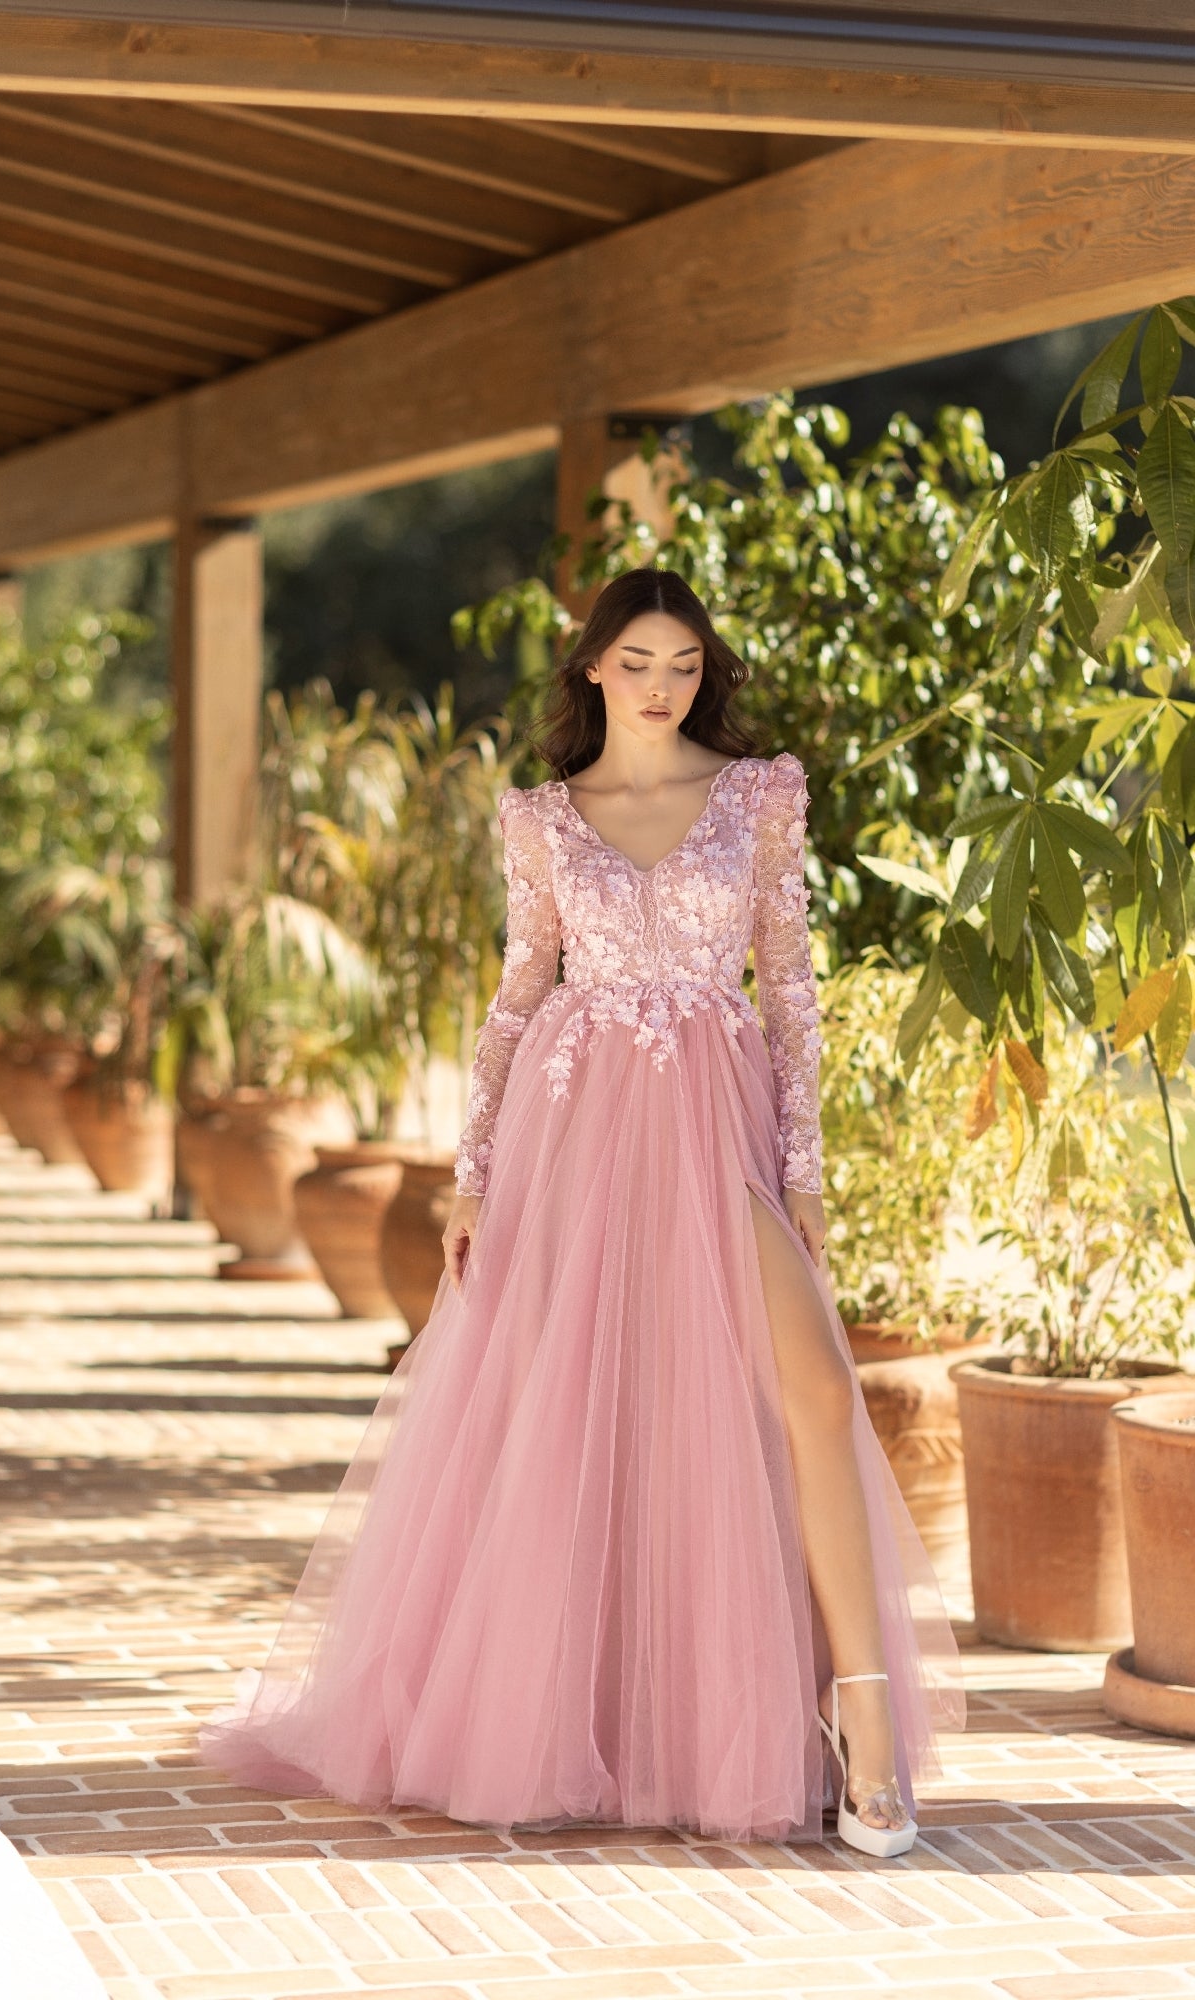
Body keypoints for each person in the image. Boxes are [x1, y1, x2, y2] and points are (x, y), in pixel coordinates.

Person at [200, 566, 963, 1853]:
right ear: (594, 666)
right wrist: (475, 1169)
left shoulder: (759, 794)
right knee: (584, 1415)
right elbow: (516, 996)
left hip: (718, 1129)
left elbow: (792, 997)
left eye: (683, 663)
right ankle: (585, 1708)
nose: (663, 685)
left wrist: (806, 1171)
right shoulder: (543, 820)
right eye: (639, 661)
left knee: (819, 1393)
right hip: (579, 1130)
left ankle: (864, 1716)